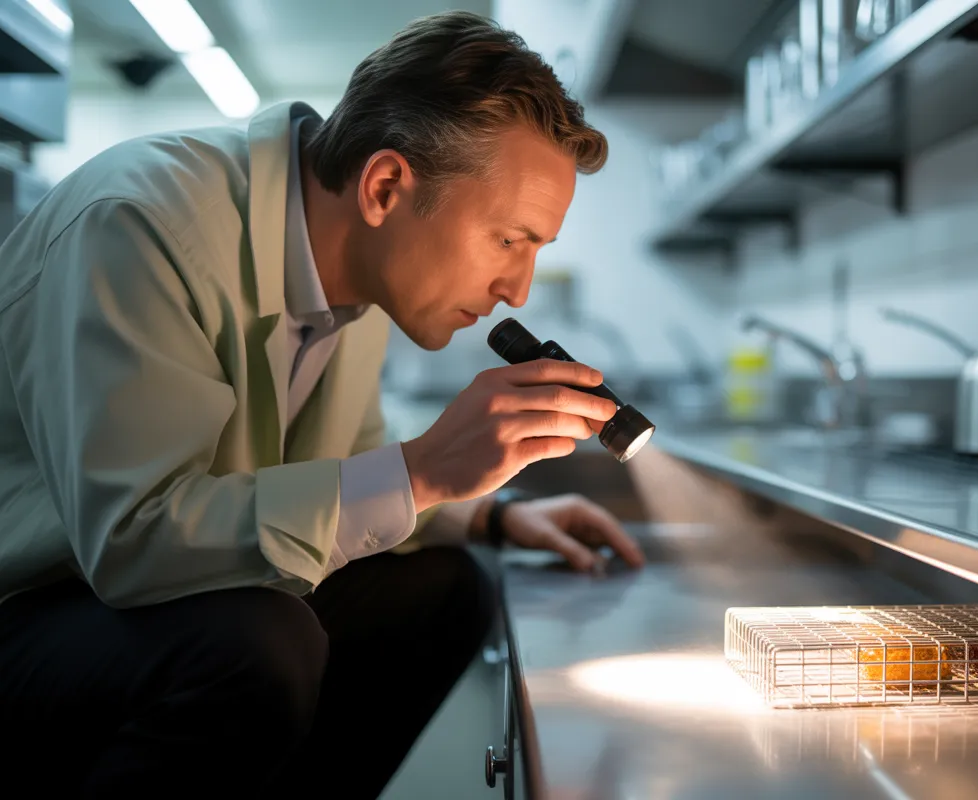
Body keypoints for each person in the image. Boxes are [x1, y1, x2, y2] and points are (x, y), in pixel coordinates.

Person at [0, 10, 644, 797]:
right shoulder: (142, 222)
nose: (518, 287)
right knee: (256, 641)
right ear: (384, 186)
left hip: (126, 600)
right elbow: (134, 542)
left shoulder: (358, 279)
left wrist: (492, 516)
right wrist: (422, 471)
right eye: (509, 239)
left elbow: (340, 473)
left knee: (446, 588)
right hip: (31, 604)